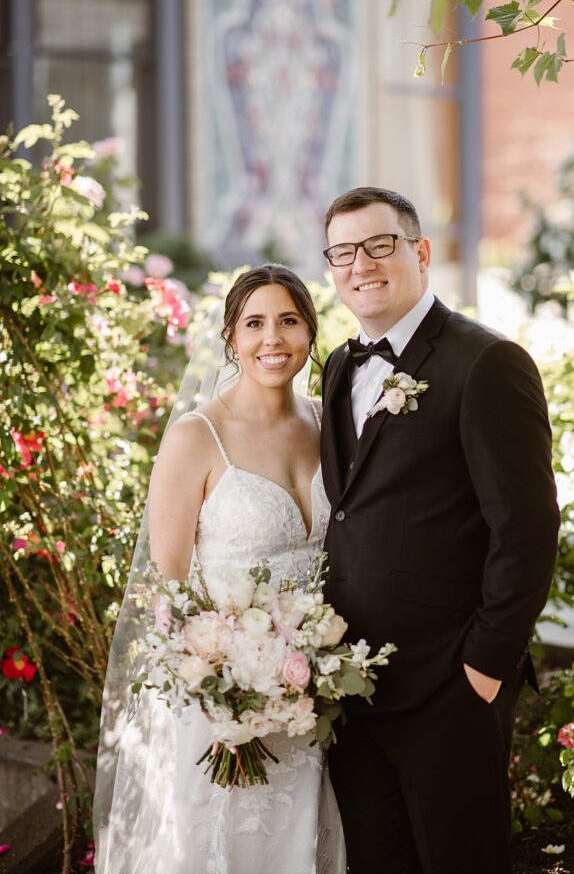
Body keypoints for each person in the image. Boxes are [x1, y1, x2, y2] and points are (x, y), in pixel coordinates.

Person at [320, 188, 560, 874]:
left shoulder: (486, 363)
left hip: (447, 690)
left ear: (420, 253)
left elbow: (527, 529)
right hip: (353, 687)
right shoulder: (339, 366)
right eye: (342, 252)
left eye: (379, 245)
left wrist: (483, 669)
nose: (360, 264)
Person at [94, 264, 344, 874]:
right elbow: (168, 585)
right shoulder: (196, 436)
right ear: (230, 337)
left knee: (303, 841)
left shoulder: (328, 424)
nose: (273, 339)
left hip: (314, 693)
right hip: (220, 705)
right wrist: (223, 691)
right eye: (254, 323)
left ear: (310, 332)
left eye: (289, 321)